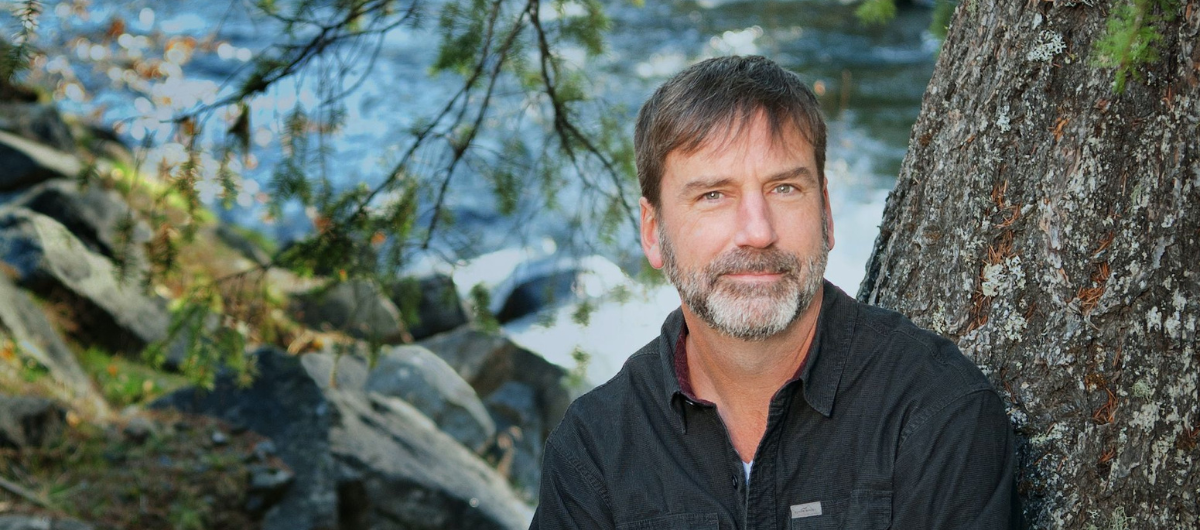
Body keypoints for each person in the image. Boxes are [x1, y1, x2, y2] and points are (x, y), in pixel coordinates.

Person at [530, 55, 1020, 529]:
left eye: (784, 188)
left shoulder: (936, 413)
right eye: (713, 195)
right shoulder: (594, 453)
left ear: (825, 214)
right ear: (653, 231)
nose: (758, 232)